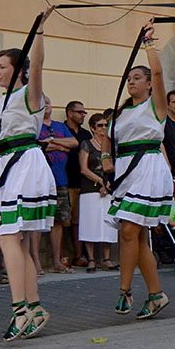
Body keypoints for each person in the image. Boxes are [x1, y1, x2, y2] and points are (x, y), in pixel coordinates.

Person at [0, 7, 57, 341]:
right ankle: (35, 307)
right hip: (11, 167)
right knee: (19, 240)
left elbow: (40, 66)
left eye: (2, 66)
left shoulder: (28, 95)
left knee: (8, 236)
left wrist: (40, 31)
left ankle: (20, 311)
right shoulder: (0, 100)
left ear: (17, 69)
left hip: (26, 165)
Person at [106, 19, 173, 320]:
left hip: (148, 167)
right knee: (135, 233)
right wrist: (106, 163)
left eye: (137, 78)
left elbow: (158, 71)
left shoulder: (155, 107)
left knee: (130, 229)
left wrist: (148, 43)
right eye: (129, 78)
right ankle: (156, 294)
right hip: (125, 171)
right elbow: (109, 144)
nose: (131, 82)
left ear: (148, 84)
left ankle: (124, 289)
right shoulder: (120, 113)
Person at [39, 97, 79, 274]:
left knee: (58, 221)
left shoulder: (60, 126)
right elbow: (37, 147)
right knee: (36, 220)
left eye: (47, 102)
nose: (46, 106)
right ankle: (36, 263)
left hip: (60, 181)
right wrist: (60, 146)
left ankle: (56, 262)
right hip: (39, 182)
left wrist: (51, 142)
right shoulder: (33, 126)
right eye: (42, 103)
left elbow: (74, 143)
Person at [78, 113, 117, 272]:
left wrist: (108, 184)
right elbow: (84, 169)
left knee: (107, 224)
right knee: (90, 223)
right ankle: (92, 259)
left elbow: (116, 166)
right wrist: (101, 181)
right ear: (92, 128)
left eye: (105, 125)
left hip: (108, 189)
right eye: (100, 125)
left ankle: (106, 259)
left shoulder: (111, 145)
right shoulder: (86, 144)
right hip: (90, 188)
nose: (103, 128)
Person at [64, 100, 91, 268]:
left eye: (84, 112)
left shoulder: (86, 134)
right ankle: (62, 255)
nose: (83, 115)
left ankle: (78, 255)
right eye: (80, 112)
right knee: (63, 221)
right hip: (65, 180)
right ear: (70, 113)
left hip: (81, 182)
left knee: (77, 222)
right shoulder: (61, 130)